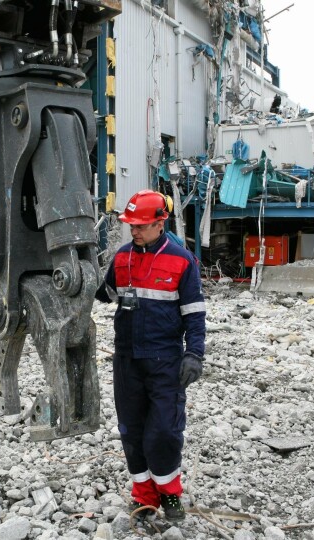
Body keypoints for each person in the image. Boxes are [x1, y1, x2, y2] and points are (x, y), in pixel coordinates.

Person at [95, 189, 206, 521]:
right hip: (127, 360)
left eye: (141, 225)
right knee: (131, 430)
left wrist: (194, 355)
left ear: (161, 223)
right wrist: (84, 274)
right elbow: (105, 294)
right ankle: (144, 496)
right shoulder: (122, 257)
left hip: (164, 361)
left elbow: (194, 314)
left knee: (164, 432)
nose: (135, 231)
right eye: (132, 225)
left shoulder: (182, 261)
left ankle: (170, 494)